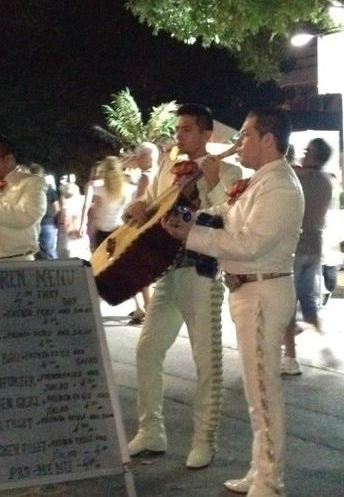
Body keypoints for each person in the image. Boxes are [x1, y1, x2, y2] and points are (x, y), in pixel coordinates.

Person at [162, 107, 304, 495]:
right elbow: (226, 214)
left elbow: (251, 244)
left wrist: (191, 236)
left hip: (262, 290)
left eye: (244, 135)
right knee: (256, 391)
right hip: (249, 290)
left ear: (268, 139)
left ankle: (270, 482)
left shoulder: (279, 187)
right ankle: (260, 471)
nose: (238, 143)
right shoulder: (261, 182)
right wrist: (189, 218)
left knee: (263, 390)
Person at [125, 103, 242, 470]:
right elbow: (156, 205)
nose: (179, 135)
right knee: (147, 351)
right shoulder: (168, 168)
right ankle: (151, 431)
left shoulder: (229, 168)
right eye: (178, 129)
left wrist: (210, 180)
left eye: (188, 129)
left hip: (202, 272)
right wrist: (139, 206)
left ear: (208, 134)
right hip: (167, 270)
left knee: (206, 360)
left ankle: (205, 439)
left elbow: (227, 213)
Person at [281, 138, 333, 376]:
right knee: (308, 300)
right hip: (314, 248)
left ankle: (290, 356)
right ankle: (325, 344)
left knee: (287, 304)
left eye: (307, 151)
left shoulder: (300, 177)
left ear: (314, 155)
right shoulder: (327, 180)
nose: (303, 154)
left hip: (296, 247)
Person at [128, 142, 160, 325]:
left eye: (139, 156)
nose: (137, 160)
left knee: (140, 270)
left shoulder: (145, 178)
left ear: (149, 157)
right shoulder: (159, 173)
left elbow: (139, 206)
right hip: (155, 229)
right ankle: (146, 308)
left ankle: (147, 307)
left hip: (143, 229)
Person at [87, 156, 135, 250]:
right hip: (120, 229)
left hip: (102, 231)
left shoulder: (99, 190)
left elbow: (94, 217)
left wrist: (91, 237)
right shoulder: (128, 189)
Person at [31, 164, 61, 259]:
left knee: (34, 254)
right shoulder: (49, 189)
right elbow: (57, 209)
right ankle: (54, 272)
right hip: (48, 224)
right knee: (50, 252)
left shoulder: (29, 190)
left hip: (33, 225)